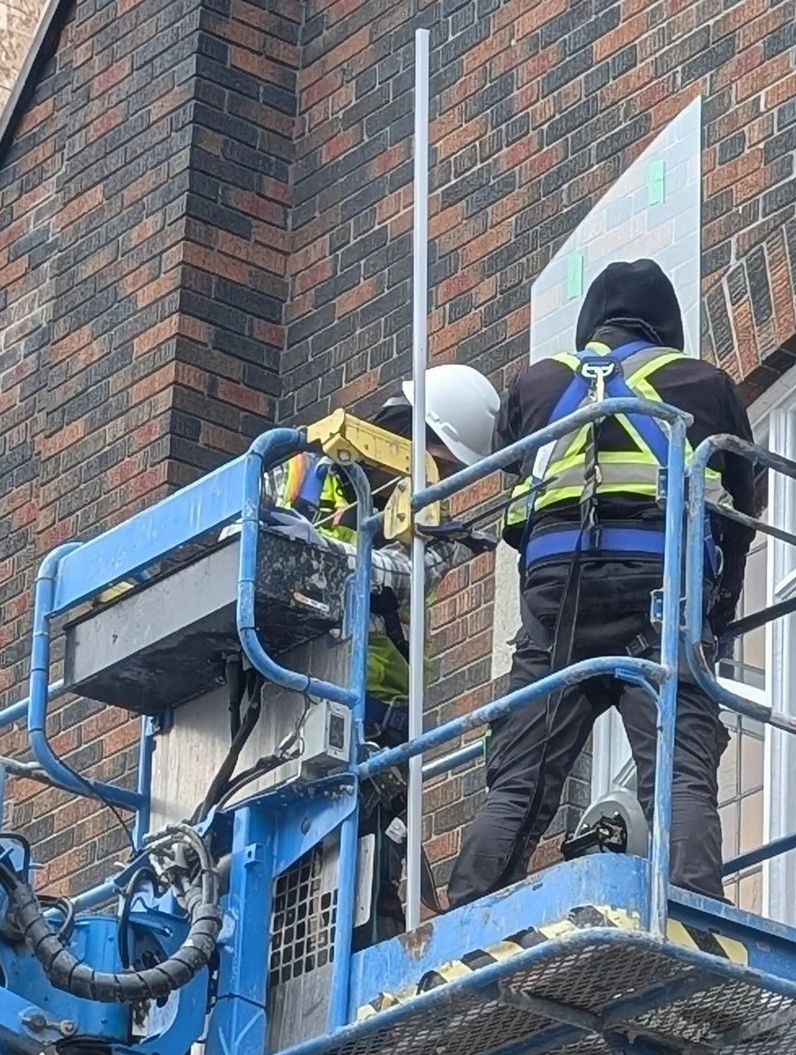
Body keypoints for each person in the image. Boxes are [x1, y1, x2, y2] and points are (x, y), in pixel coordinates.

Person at [449, 259, 758, 907]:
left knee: (519, 783)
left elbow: (519, 496)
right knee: (678, 777)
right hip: (660, 598)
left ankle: (467, 919)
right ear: (666, 325)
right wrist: (714, 623)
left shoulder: (536, 386)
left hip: (556, 606)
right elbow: (739, 517)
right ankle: (694, 913)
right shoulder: (702, 384)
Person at [269, 363, 498, 930]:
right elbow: (266, 555)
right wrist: (347, 560)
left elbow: (409, 574)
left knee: (374, 869)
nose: (445, 483)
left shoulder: (420, 512)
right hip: (300, 704)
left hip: (378, 725)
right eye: (445, 466)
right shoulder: (306, 469)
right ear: (425, 438)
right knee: (338, 881)